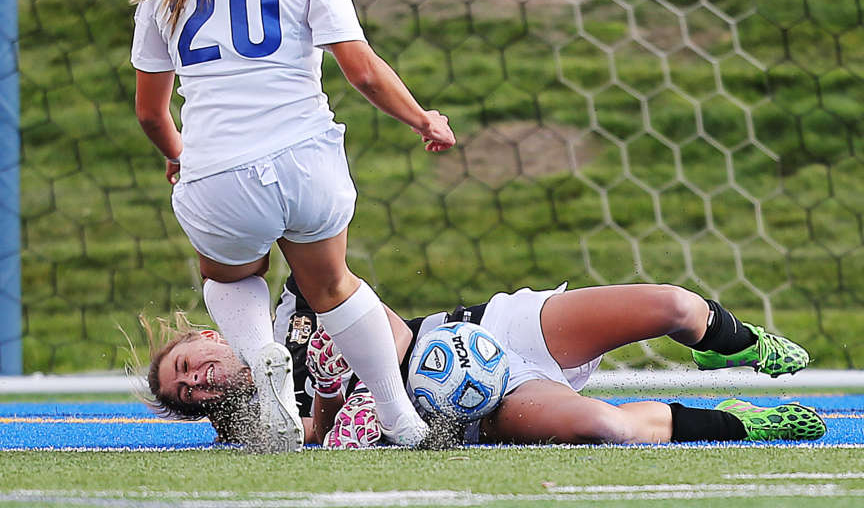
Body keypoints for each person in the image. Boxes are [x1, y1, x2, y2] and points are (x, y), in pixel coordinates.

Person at [121, 0, 455, 452]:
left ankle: (264, 369)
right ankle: (401, 419)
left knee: (228, 279)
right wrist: (422, 120)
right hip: (306, 158)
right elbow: (362, 71)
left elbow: (149, 112)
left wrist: (177, 154)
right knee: (332, 288)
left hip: (216, 170)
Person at [143, 277, 826, 448]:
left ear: (207, 332)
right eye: (189, 392)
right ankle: (741, 421)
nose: (196, 378)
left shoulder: (297, 302)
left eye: (186, 363)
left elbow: (352, 294)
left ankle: (739, 345)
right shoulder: (273, 419)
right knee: (608, 431)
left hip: (487, 332)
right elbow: (310, 438)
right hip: (484, 399)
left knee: (672, 307)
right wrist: (317, 408)